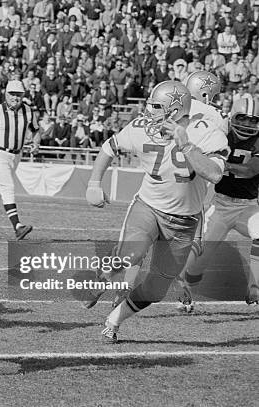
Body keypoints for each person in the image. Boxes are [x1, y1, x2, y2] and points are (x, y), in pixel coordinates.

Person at [85, 81, 229, 343]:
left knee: (156, 288)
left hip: (185, 222)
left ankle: (114, 320)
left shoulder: (206, 131)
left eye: (156, 106)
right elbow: (110, 146)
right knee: (131, 254)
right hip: (148, 208)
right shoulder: (141, 126)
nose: (149, 111)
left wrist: (186, 145)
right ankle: (106, 270)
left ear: (174, 110)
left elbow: (215, 174)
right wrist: (94, 182)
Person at [177, 97, 259, 311]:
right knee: (200, 256)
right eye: (243, 119)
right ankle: (185, 288)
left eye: (253, 121)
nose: (248, 125)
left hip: (249, 206)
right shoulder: (219, 134)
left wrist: (219, 165)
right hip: (221, 204)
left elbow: (251, 170)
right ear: (233, 117)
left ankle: (255, 289)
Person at [0, 80, 38, 240]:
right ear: (6, 94)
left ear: (23, 95)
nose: (15, 97)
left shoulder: (28, 111)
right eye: (12, 94)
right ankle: (17, 226)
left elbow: (36, 130)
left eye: (19, 94)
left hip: (16, 155)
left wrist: (35, 143)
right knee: (8, 187)